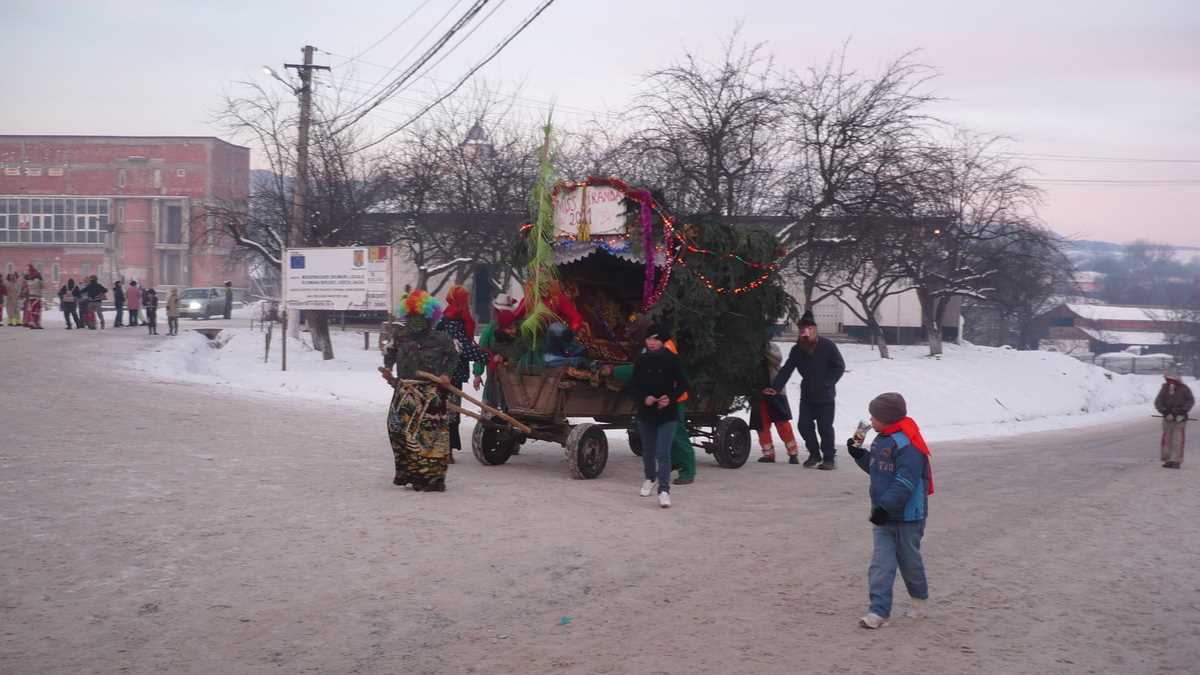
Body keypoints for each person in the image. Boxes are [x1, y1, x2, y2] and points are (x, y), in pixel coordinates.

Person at [847, 392, 934, 629]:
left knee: (909, 561)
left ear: (887, 419)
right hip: (883, 516)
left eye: (874, 417)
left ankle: (919, 600)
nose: (870, 420)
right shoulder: (881, 439)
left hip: (908, 517)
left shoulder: (908, 444)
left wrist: (885, 507)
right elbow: (878, 469)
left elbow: (905, 481)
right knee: (880, 564)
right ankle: (878, 611)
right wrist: (859, 454)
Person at [381, 290, 458, 492]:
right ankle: (409, 473)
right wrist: (388, 368)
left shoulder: (441, 338)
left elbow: (453, 356)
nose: (416, 321)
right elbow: (390, 351)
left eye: (420, 317)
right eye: (412, 317)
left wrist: (446, 374)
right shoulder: (400, 336)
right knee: (397, 429)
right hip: (405, 392)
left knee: (429, 436)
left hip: (431, 395)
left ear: (429, 318)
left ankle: (432, 478)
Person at [763, 310, 846, 470]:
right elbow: (787, 369)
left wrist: (828, 383)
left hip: (825, 395)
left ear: (815, 329)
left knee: (825, 428)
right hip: (807, 395)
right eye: (802, 329)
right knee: (804, 425)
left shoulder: (828, 346)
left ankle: (829, 458)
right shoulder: (797, 350)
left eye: (809, 329)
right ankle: (814, 454)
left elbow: (839, 367)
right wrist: (775, 388)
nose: (805, 332)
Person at [632, 324, 689, 508]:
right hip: (646, 413)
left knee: (663, 452)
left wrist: (670, 398)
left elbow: (683, 384)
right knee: (648, 451)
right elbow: (634, 386)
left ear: (663, 341)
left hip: (667, 413)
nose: (652, 342)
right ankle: (650, 478)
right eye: (649, 339)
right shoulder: (641, 360)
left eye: (656, 339)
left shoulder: (672, 359)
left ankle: (664, 490)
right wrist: (644, 398)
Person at [438, 285, 491, 461]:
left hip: (447, 373)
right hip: (449, 374)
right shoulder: (453, 321)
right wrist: (487, 357)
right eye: (465, 300)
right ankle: (445, 450)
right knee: (449, 412)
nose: (467, 303)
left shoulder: (448, 317)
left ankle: (445, 449)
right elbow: (463, 348)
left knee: (446, 410)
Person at [753, 341, 801, 463]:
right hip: (759, 393)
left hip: (775, 392)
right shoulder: (749, 349)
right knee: (762, 425)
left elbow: (777, 360)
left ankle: (793, 453)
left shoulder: (771, 347)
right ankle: (768, 454)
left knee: (782, 424)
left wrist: (763, 348)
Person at [664, 337, 696, 485]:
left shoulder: (666, 348)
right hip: (667, 398)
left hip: (675, 399)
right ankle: (675, 461)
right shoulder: (661, 345)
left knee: (678, 434)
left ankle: (688, 471)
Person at [1155, 368, 1194, 469]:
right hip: (1168, 418)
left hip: (1180, 418)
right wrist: (1165, 412)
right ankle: (1168, 460)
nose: (1170, 382)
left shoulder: (1184, 389)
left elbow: (1190, 401)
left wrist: (1182, 411)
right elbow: (1158, 402)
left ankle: (1176, 460)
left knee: (1178, 439)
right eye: (1168, 379)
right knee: (1167, 439)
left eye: (1172, 379)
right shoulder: (1164, 388)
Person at [23, 265, 45, 329]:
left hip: (31, 297)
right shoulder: (37, 281)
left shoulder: (28, 281)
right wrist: (41, 280)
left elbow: (25, 287)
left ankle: (34, 323)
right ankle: (36, 323)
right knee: (37, 311)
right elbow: (43, 286)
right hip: (37, 297)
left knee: (33, 310)